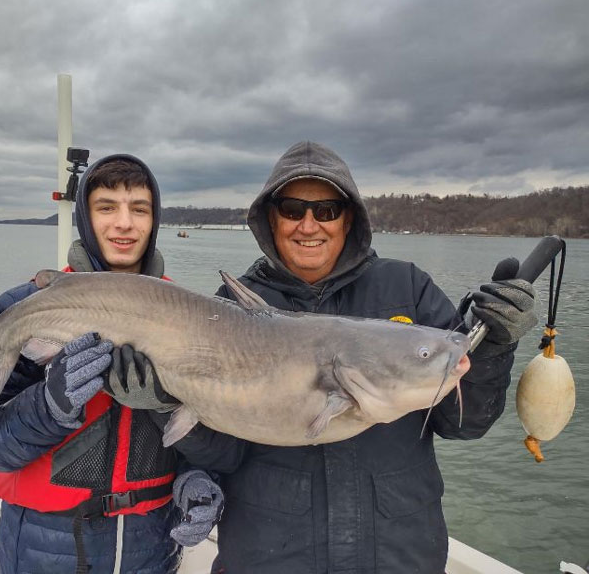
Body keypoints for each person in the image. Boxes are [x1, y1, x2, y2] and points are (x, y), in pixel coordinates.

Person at [104, 141, 537, 573]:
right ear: (271, 218)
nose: (308, 225)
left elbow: (464, 423)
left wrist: (494, 345)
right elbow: (223, 454)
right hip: (269, 556)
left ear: (348, 217)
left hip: (399, 556)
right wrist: (167, 402)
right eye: (293, 209)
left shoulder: (408, 287)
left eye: (326, 210)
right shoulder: (229, 313)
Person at [0, 154, 218, 574]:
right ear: (85, 216)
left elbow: (207, 421)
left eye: (139, 209)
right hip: (46, 548)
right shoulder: (21, 307)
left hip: (151, 547)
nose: (123, 223)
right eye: (106, 208)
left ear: (154, 220)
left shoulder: (193, 314)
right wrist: (49, 407)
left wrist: (197, 479)